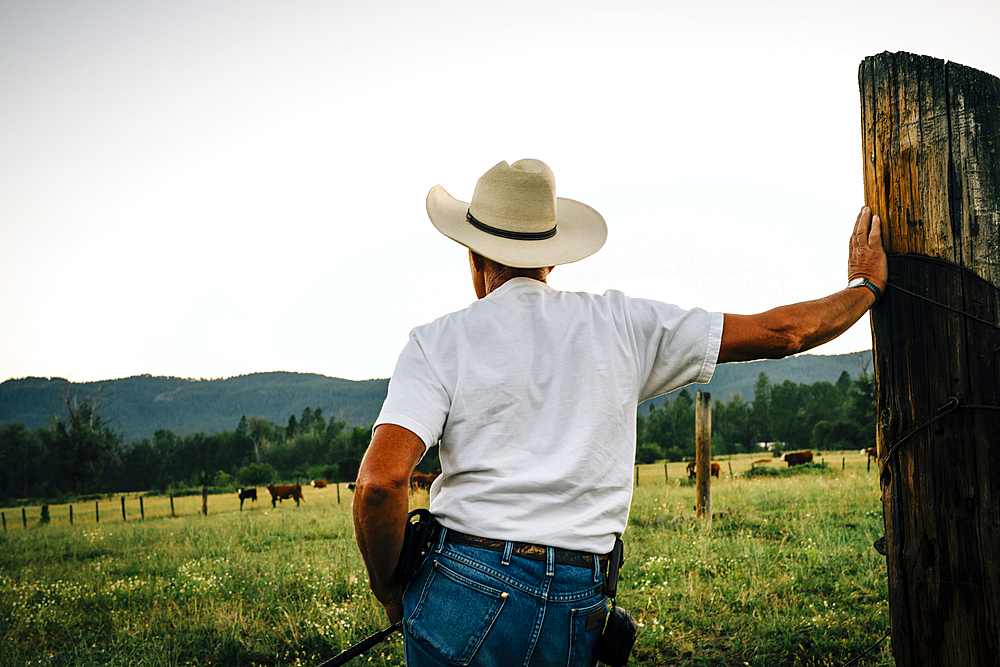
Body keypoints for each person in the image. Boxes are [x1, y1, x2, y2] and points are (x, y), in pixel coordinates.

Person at [352, 158, 887, 666]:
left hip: (462, 582)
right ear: (552, 256)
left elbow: (379, 483)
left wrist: (390, 591)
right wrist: (864, 289)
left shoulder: (436, 343)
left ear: (473, 256)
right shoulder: (623, 325)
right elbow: (782, 332)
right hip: (578, 597)